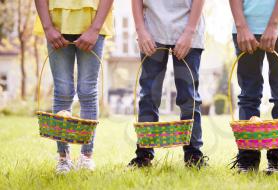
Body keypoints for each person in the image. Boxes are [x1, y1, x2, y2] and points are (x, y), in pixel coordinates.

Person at [34, 0, 114, 174]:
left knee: (87, 90)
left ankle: (86, 156)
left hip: (93, 20)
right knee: (62, 90)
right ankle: (63, 158)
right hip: (57, 21)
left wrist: (95, 29)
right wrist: (47, 27)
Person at [128, 0, 208, 169]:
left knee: (189, 96)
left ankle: (194, 154)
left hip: (189, 31)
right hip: (152, 32)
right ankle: (144, 154)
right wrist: (141, 30)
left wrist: (189, 32)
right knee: (149, 94)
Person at [229, 0, 278, 174]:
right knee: (248, 96)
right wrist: (241, 26)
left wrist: (274, 24)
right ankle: (247, 159)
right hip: (245, 27)